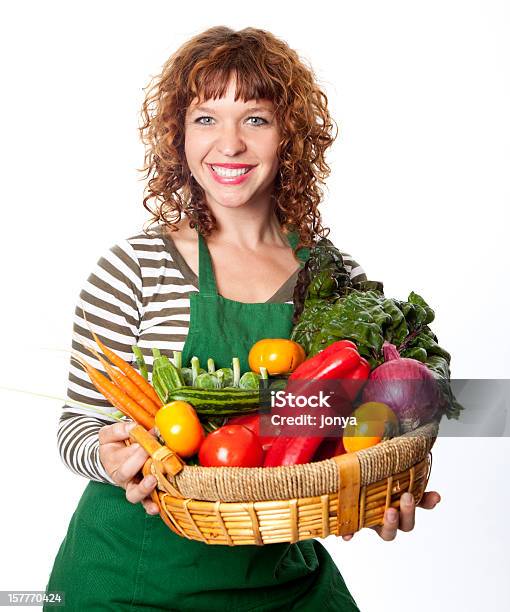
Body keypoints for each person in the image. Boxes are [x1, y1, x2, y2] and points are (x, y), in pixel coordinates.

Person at [46, 26, 441, 611]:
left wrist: (372, 493)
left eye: (255, 119)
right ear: (178, 136)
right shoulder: (135, 267)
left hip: (279, 580)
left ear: (290, 138)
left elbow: (342, 436)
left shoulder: (332, 281)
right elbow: (76, 425)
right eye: (206, 118)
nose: (228, 144)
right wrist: (107, 455)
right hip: (130, 581)